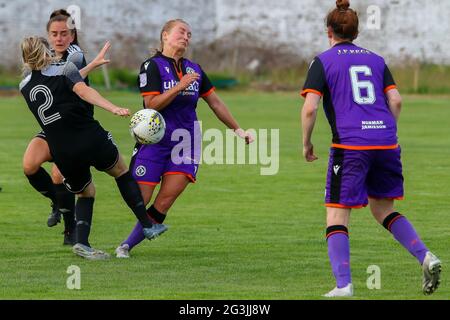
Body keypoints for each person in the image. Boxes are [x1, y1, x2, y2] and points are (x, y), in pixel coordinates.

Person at [300, 0, 441, 297]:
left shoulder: (322, 61)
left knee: (336, 215)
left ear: (329, 31)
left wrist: (307, 142)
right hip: (387, 143)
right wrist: (388, 130)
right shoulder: (377, 60)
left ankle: (343, 285)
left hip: (349, 146)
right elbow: (397, 100)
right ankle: (426, 256)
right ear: (356, 31)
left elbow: (310, 109)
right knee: (383, 209)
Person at [115, 19, 254, 258]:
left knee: (165, 201)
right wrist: (179, 86)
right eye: (181, 32)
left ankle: (126, 246)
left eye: (189, 34)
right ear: (165, 35)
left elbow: (215, 103)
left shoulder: (195, 69)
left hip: (186, 142)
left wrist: (238, 130)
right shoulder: (152, 66)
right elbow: (152, 104)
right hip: (155, 141)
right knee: (141, 197)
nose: (186, 37)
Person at [20, 36, 167, 260]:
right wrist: (112, 107)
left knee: (85, 192)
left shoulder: (25, 85)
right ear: (46, 51)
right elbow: (81, 90)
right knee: (120, 170)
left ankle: (82, 242)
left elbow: (60, 87)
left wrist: (91, 66)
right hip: (88, 135)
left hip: (61, 149)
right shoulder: (65, 67)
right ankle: (148, 225)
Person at [22, 9, 105, 245]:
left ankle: (71, 231)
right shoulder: (46, 56)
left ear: (72, 35)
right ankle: (57, 202)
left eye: (64, 33)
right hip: (53, 126)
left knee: (59, 174)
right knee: (29, 165)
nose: (58, 38)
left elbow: (71, 77)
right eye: (54, 34)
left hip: (74, 127)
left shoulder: (75, 56)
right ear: (48, 35)